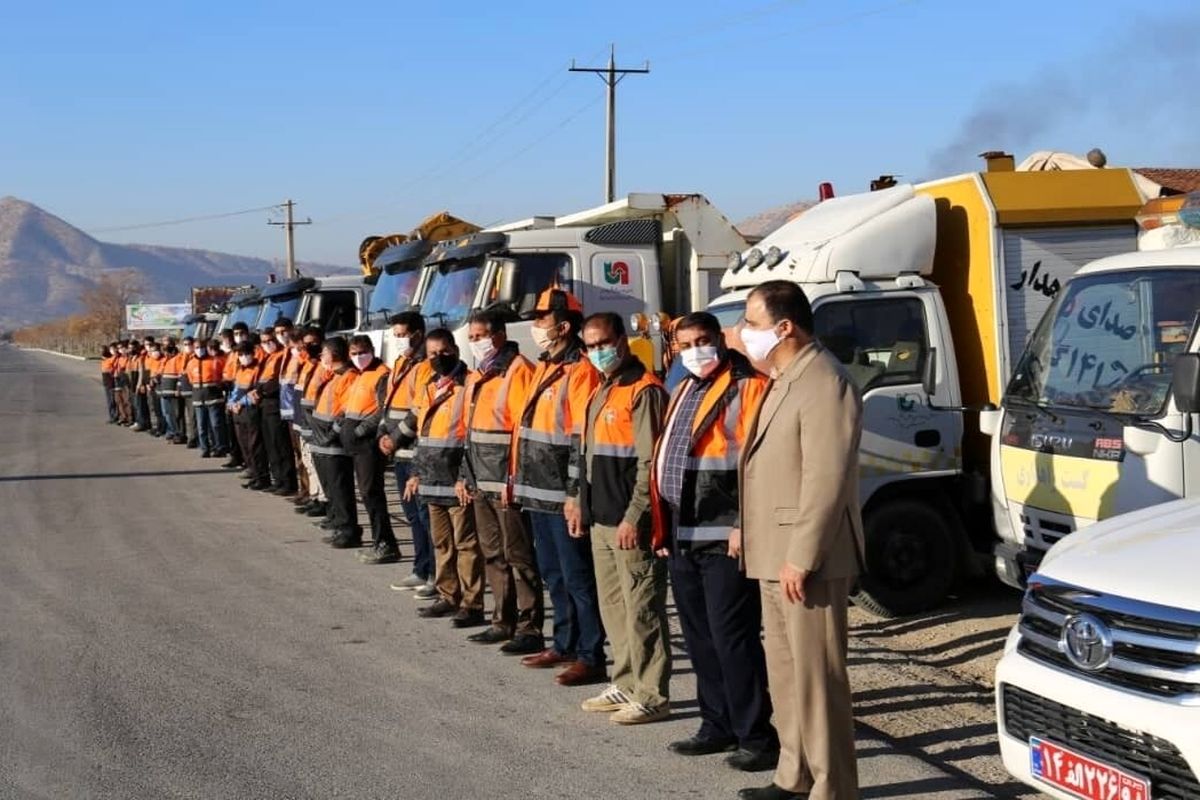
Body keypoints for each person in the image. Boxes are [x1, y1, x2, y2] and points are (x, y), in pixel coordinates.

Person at [736, 280, 864, 800]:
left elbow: (825, 478)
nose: (745, 333)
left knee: (818, 681)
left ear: (784, 327)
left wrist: (802, 556)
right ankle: (795, 775)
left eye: (752, 322)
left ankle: (833, 788)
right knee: (787, 677)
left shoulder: (823, 380)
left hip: (806, 558)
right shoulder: (785, 376)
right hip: (774, 551)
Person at [651, 312, 777, 769]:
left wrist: (746, 521)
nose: (694, 350)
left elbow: (759, 462)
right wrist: (662, 524)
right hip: (683, 532)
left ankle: (756, 736)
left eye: (702, 340)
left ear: (719, 341)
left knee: (733, 639)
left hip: (725, 534)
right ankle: (716, 724)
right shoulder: (684, 386)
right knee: (701, 638)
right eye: (685, 344)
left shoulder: (747, 387)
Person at [571, 312, 671, 726]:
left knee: (642, 608)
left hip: (631, 522)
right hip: (601, 518)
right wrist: (578, 501)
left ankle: (652, 692)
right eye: (591, 346)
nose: (599, 351)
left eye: (604, 342)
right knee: (614, 607)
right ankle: (626, 681)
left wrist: (636, 516)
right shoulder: (601, 390)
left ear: (623, 340)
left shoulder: (643, 391)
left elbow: (650, 463)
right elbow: (589, 456)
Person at [510, 288, 606, 685]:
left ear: (564, 326)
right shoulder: (544, 366)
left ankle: (591, 654)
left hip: (561, 495)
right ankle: (564, 642)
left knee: (578, 578)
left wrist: (573, 495)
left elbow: (579, 440)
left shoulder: (580, 371)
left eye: (541, 319)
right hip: (537, 492)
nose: (535, 326)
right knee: (554, 574)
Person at [458, 309, 542, 653]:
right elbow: (470, 433)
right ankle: (501, 621)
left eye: (481, 336)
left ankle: (529, 626)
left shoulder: (519, 371)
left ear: (500, 335)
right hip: (481, 481)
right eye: (473, 337)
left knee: (518, 556)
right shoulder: (478, 375)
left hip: (506, 483)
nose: (476, 343)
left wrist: (514, 480)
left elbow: (523, 432)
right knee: (493, 554)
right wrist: (465, 476)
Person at [403, 329, 486, 628]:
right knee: (441, 543)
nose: (438, 358)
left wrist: (464, 477)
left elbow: (471, 437)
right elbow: (423, 437)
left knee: (465, 544)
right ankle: (448, 595)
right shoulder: (429, 387)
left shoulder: (470, 384)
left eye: (443, 351)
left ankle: (471, 603)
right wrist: (415, 473)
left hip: (456, 480)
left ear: (455, 348)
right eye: (432, 354)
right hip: (430, 479)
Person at [378, 312, 436, 593]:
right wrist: (382, 434)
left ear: (417, 334)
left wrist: (396, 437)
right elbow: (389, 403)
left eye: (402, 335)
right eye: (396, 335)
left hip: (415, 449)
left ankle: (435, 573)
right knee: (412, 514)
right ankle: (420, 567)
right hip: (397, 450)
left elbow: (419, 409)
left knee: (426, 515)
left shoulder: (425, 366)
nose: (398, 340)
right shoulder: (401, 362)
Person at [342, 335, 400, 564]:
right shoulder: (361, 375)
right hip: (356, 444)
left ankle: (385, 543)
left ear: (372, 350)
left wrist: (361, 430)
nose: (358, 357)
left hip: (367, 444)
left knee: (372, 493)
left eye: (362, 351)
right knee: (367, 494)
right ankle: (381, 542)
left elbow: (382, 410)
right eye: (354, 353)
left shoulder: (382, 374)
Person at [308, 337, 360, 547]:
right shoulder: (333, 376)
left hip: (333, 443)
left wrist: (332, 433)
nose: (321, 357)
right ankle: (339, 525)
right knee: (332, 489)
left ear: (334, 354)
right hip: (322, 441)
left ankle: (349, 530)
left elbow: (346, 411)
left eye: (324, 353)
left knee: (341, 488)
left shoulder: (349, 377)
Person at [254, 330, 298, 495]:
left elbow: (277, 382)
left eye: (269, 340)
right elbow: (261, 378)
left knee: (281, 445)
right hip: (264, 405)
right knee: (271, 446)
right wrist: (257, 390)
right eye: (263, 342)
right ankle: (278, 480)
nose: (267, 344)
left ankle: (287, 482)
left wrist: (261, 391)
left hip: (275, 404)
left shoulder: (281, 356)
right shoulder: (267, 357)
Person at [293, 327, 329, 520]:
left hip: (314, 423)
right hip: (302, 421)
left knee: (316, 463)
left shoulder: (323, 366)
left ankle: (323, 499)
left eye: (312, 343)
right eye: (305, 344)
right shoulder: (306, 364)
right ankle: (314, 496)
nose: (308, 347)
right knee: (308, 461)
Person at [229, 341, 271, 490]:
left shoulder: (258, 369)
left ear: (252, 354)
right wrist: (231, 403)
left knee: (255, 446)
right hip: (238, 413)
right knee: (245, 446)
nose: (243, 357)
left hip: (251, 411)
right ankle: (253, 474)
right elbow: (235, 389)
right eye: (240, 355)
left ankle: (262, 477)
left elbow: (255, 393)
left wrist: (241, 402)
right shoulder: (240, 370)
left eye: (246, 354)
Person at [280, 328, 313, 506]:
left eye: (296, 346)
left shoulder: (305, 361)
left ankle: (309, 491)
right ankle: (304, 489)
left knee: (305, 455)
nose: (294, 350)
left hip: (299, 413)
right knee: (298, 455)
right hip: (291, 412)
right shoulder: (292, 358)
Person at [187, 337, 227, 458]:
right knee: (201, 426)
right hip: (198, 398)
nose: (200, 350)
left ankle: (219, 447)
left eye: (202, 347)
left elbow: (223, 376)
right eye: (197, 347)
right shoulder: (190, 363)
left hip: (214, 397)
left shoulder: (215, 361)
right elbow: (191, 379)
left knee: (216, 424)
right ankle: (205, 448)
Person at [177, 337, 201, 448]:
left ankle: (193, 438)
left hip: (192, 391)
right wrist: (178, 387)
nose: (187, 346)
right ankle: (187, 435)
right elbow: (180, 373)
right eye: (185, 344)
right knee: (184, 416)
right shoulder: (181, 357)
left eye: (189, 344)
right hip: (183, 390)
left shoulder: (195, 357)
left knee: (192, 417)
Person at [100, 345, 118, 423]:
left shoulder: (111, 359)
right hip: (106, 382)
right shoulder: (103, 360)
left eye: (102, 350)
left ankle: (115, 416)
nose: (101, 352)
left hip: (111, 381)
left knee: (112, 400)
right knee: (109, 400)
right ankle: (112, 416)